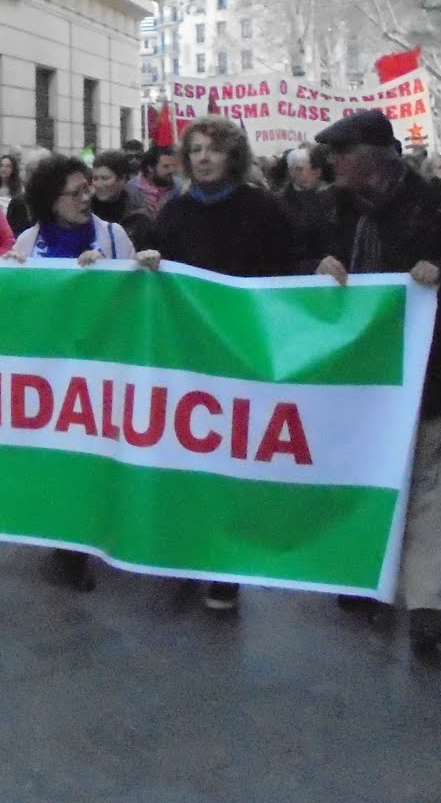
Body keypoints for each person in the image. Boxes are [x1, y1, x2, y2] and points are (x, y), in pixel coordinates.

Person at [312, 111, 441, 657]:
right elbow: (295, 258)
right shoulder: (337, 208)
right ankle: (369, 577)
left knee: (425, 485)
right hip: (356, 369)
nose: (336, 164)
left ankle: (425, 605)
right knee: (365, 479)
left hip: (427, 367)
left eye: (343, 152)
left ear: (375, 155)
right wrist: (318, 265)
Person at [144, 117, 294, 613]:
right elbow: (160, 268)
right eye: (197, 149)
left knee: (231, 458)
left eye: (215, 149)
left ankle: (226, 564)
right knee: (189, 453)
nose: (204, 157)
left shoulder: (264, 209)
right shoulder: (175, 211)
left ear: (235, 156)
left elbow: (288, 271)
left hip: (242, 355)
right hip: (188, 354)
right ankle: (191, 547)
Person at [7, 155, 146, 592]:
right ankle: (68, 546)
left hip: (102, 369)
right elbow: (16, 309)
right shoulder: (29, 243)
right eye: (76, 192)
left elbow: (134, 296)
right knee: (60, 458)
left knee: (95, 456)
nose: (87, 197)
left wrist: (126, 271)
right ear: (51, 201)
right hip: (50, 373)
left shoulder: (113, 234)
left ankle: (96, 532)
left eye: (89, 188)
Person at [279, 143, 336, 266]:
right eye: (299, 169)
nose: (305, 173)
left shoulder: (333, 198)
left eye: (313, 169)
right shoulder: (279, 203)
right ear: (290, 171)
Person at [89, 150, 154, 249]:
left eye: (105, 178)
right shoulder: (86, 209)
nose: (98, 184)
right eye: (95, 178)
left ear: (122, 179)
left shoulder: (138, 214)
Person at [130, 145, 179, 218]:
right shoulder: (131, 190)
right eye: (166, 166)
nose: (171, 170)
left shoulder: (179, 187)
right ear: (150, 168)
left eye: (173, 166)